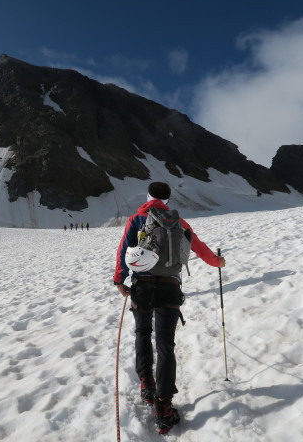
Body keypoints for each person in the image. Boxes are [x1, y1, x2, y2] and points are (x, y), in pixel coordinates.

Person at [113, 181, 225, 434]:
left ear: (148, 196)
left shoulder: (136, 219)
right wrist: (217, 261)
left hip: (141, 285)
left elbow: (123, 250)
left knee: (142, 333)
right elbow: (199, 248)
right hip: (169, 286)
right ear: (168, 199)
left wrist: (119, 280)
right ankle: (163, 408)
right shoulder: (179, 222)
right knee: (165, 343)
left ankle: (146, 384)